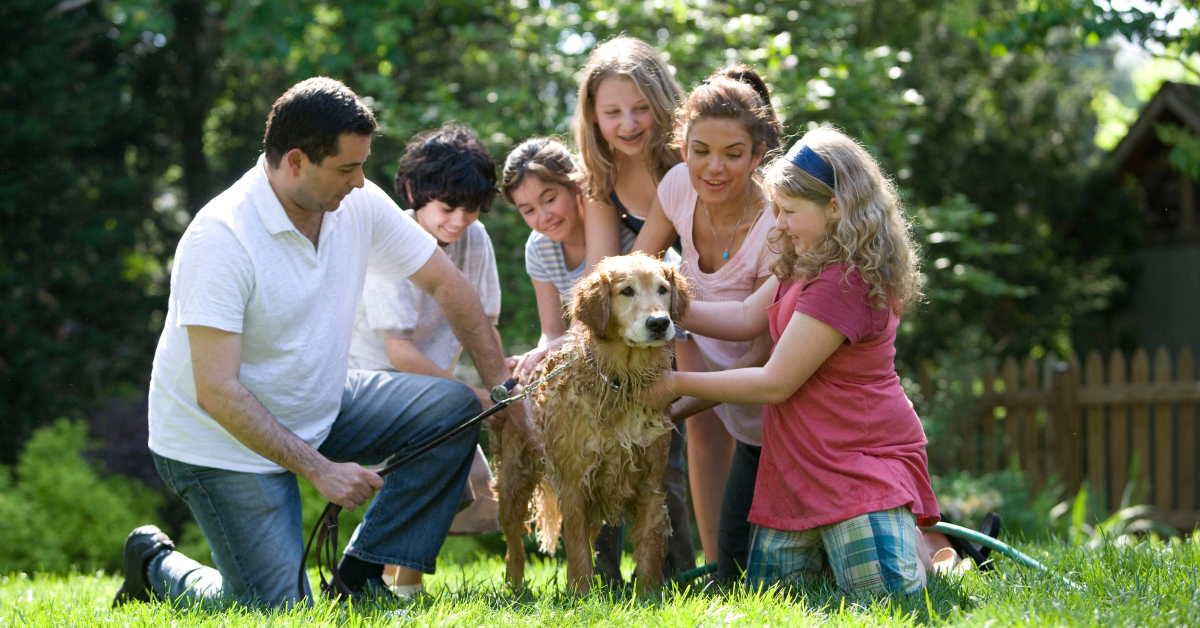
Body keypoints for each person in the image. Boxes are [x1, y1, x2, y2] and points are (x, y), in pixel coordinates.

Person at [114, 77, 521, 609]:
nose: (360, 182)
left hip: (319, 402)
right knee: (277, 608)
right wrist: (320, 470)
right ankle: (155, 564)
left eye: (362, 166)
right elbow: (215, 390)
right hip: (220, 443)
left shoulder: (356, 202)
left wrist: (504, 393)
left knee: (451, 408)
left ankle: (361, 576)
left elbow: (449, 285)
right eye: (347, 169)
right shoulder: (221, 238)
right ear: (297, 162)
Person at [641, 126, 939, 596]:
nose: (776, 224)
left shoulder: (846, 282)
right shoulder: (805, 261)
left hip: (856, 465)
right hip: (798, 468)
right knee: (770, 598)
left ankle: (934, 558)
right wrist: (654, 306)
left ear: (837, 209)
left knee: (881, 593)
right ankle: (908, 547)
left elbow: (775, 383)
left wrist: (675, 383)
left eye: (789, 211)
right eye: (775, 209)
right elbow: (742, 317)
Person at [500, 137, 693, 583]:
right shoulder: (539, 249)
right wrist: (537, 357)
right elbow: (553, 330)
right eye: (528, 209)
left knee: (665, 474)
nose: (543, 215)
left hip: (646, 371)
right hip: (587, 372)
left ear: (576, 187)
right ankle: (600, 579)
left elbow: (662, 300)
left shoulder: (626, 243)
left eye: (550, 198)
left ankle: (675, 573)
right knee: (590, 469)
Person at [633, 65, 781, 584]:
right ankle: (718, 568)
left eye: (733, 154)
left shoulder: (778, 224)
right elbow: (637, 269)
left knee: (804, 563)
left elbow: (762, 353)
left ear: (758, 155)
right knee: (735, 570)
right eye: (700, 151)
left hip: (785, 418)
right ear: (682, 146)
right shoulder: (676, 187)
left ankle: (945, 546)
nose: (713, 168)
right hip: (726, 407)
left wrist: (671, 401)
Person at [346, 123, 504, 598]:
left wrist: (500, 388)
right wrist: (472, 397)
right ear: (415, 192)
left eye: (471, 210)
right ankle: (397, 585)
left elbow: (483, 326)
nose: (458, 221)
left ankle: (390, 579)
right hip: (373, 385)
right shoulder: (388, 238)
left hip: (435, 390)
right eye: (447, 208)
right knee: (442, 461)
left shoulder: (475, 241)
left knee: (473, 486)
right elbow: (400, 352)